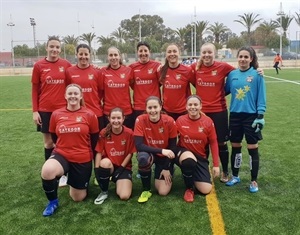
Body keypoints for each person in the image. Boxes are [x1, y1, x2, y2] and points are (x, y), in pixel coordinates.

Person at [191, 42, 263, 183]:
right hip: (201, 112)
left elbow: (241, 72)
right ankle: (202, 170)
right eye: (204, 52)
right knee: (202, 143)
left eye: (209, 52)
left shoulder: (223, 67)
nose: (206, 55)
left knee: (222, 142)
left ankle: (225, 171)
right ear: (201, 54)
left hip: (219, 111)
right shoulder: (195, 67)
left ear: (215, 53)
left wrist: (258, 70)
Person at [41, 84, 99, 216]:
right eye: (70, 93)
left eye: (76, 93)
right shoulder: (56, 114)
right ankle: (53, 202)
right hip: (62, 154)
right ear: (65, 96)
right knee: (47, 170)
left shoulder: (89, 114)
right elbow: (54, 137)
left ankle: (76, 179)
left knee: (78, 198)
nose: (73, 96)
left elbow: (95, 140)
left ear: (81, 96)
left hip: (82, 158)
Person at [225, 46, 266, 193]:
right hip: (235, 115)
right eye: (240, 56)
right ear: (237, 58)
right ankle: (235, 176)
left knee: (252, 148)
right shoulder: (232, 75)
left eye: (246, 57)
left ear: (251, 59)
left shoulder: (257, 75)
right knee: (235, 147)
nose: (243, 59)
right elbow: (224, 91)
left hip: (251, 116)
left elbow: (261, 96)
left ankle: (253, 180)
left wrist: (260, 115)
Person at [31, 35, 72, 186]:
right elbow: (35, 89)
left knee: (63, 142)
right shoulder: (39, 66)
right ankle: (50, 173)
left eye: (57, 47)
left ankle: (64, 174)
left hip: (63, 111)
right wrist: (35, 111)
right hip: (45, 110)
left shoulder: (66, 65)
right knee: (49, 144)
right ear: (46, 48)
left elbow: (73, 83)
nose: (54, 49)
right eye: (52, 46)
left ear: (60, 49)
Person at [175, 95, 220, 202]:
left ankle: (189, 172)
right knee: (189, 161)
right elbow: (172, 141)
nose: (193, 107)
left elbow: (213, 143)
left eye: (196, 104)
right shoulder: (180, 120)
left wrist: (216, 165)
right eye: (190, 104)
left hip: (200, 157)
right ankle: (189, 188)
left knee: (206, 189)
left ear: (200, 106)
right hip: (184, 154)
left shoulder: (208, 122)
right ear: (186, 107)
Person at [133, 96, 177, 203]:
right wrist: (161, 150)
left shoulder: (169, 121)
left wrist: (167, 167)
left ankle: (168, 169)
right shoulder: (140, 119)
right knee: (143, 158)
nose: (153, 111)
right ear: (146, 109)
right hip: (150, 154)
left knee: (162, 192)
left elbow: (172, 147)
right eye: (150, 108)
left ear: (160, 107)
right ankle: (146, 190)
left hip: (165, 157)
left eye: (155, 107)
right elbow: (139, 146)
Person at [94, 107, 135, 204]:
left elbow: (130, 153)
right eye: (113, 118)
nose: (116, 121)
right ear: (109, 118)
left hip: (124, 167)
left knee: (124, 196)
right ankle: (104, 191)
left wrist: (120, 169)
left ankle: (119, 181)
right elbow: (99, 152)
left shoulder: (129, 133)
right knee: (104, 163)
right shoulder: (104, 132)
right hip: (110, 166)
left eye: (118, 118)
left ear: (123, 118)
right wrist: (96, 170)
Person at [66, 43, 104, 131]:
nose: (83, 56)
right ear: (76, 55)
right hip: (77, 113)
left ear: (90, 55)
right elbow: (67, 91)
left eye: (86, 54)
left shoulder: (97, 71)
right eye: (81, 54)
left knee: (97, 142)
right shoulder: (69, 71)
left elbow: (101, 91)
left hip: (95, 113)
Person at [100, 47, 134, 129]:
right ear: (107, 57)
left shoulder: (128, 70)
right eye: (111, 55)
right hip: (109, 112)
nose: (113, 57)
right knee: (110, 138)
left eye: (115, 55)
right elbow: (100, 90)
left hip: (126, 111)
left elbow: (134, 86)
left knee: (126, 137)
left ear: (119, 56)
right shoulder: (102, 71)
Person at [159, 43, 195, 121]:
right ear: (166, 54)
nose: (172, 54)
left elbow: (197, 86)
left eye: (175, 51)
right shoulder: (161, 70)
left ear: (179, 53)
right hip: (166, 111)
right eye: (169, 52)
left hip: (183, 111)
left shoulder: (187, 70)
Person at [129, 41, 161, 120]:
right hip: (139, 106)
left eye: (145, 51)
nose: (143, 53)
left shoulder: (157, 66)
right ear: (137, 52)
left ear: (149, 52)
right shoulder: (131, 68)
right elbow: (132, 84)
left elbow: (160, 83)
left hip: (154, 106)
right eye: (140, 51)